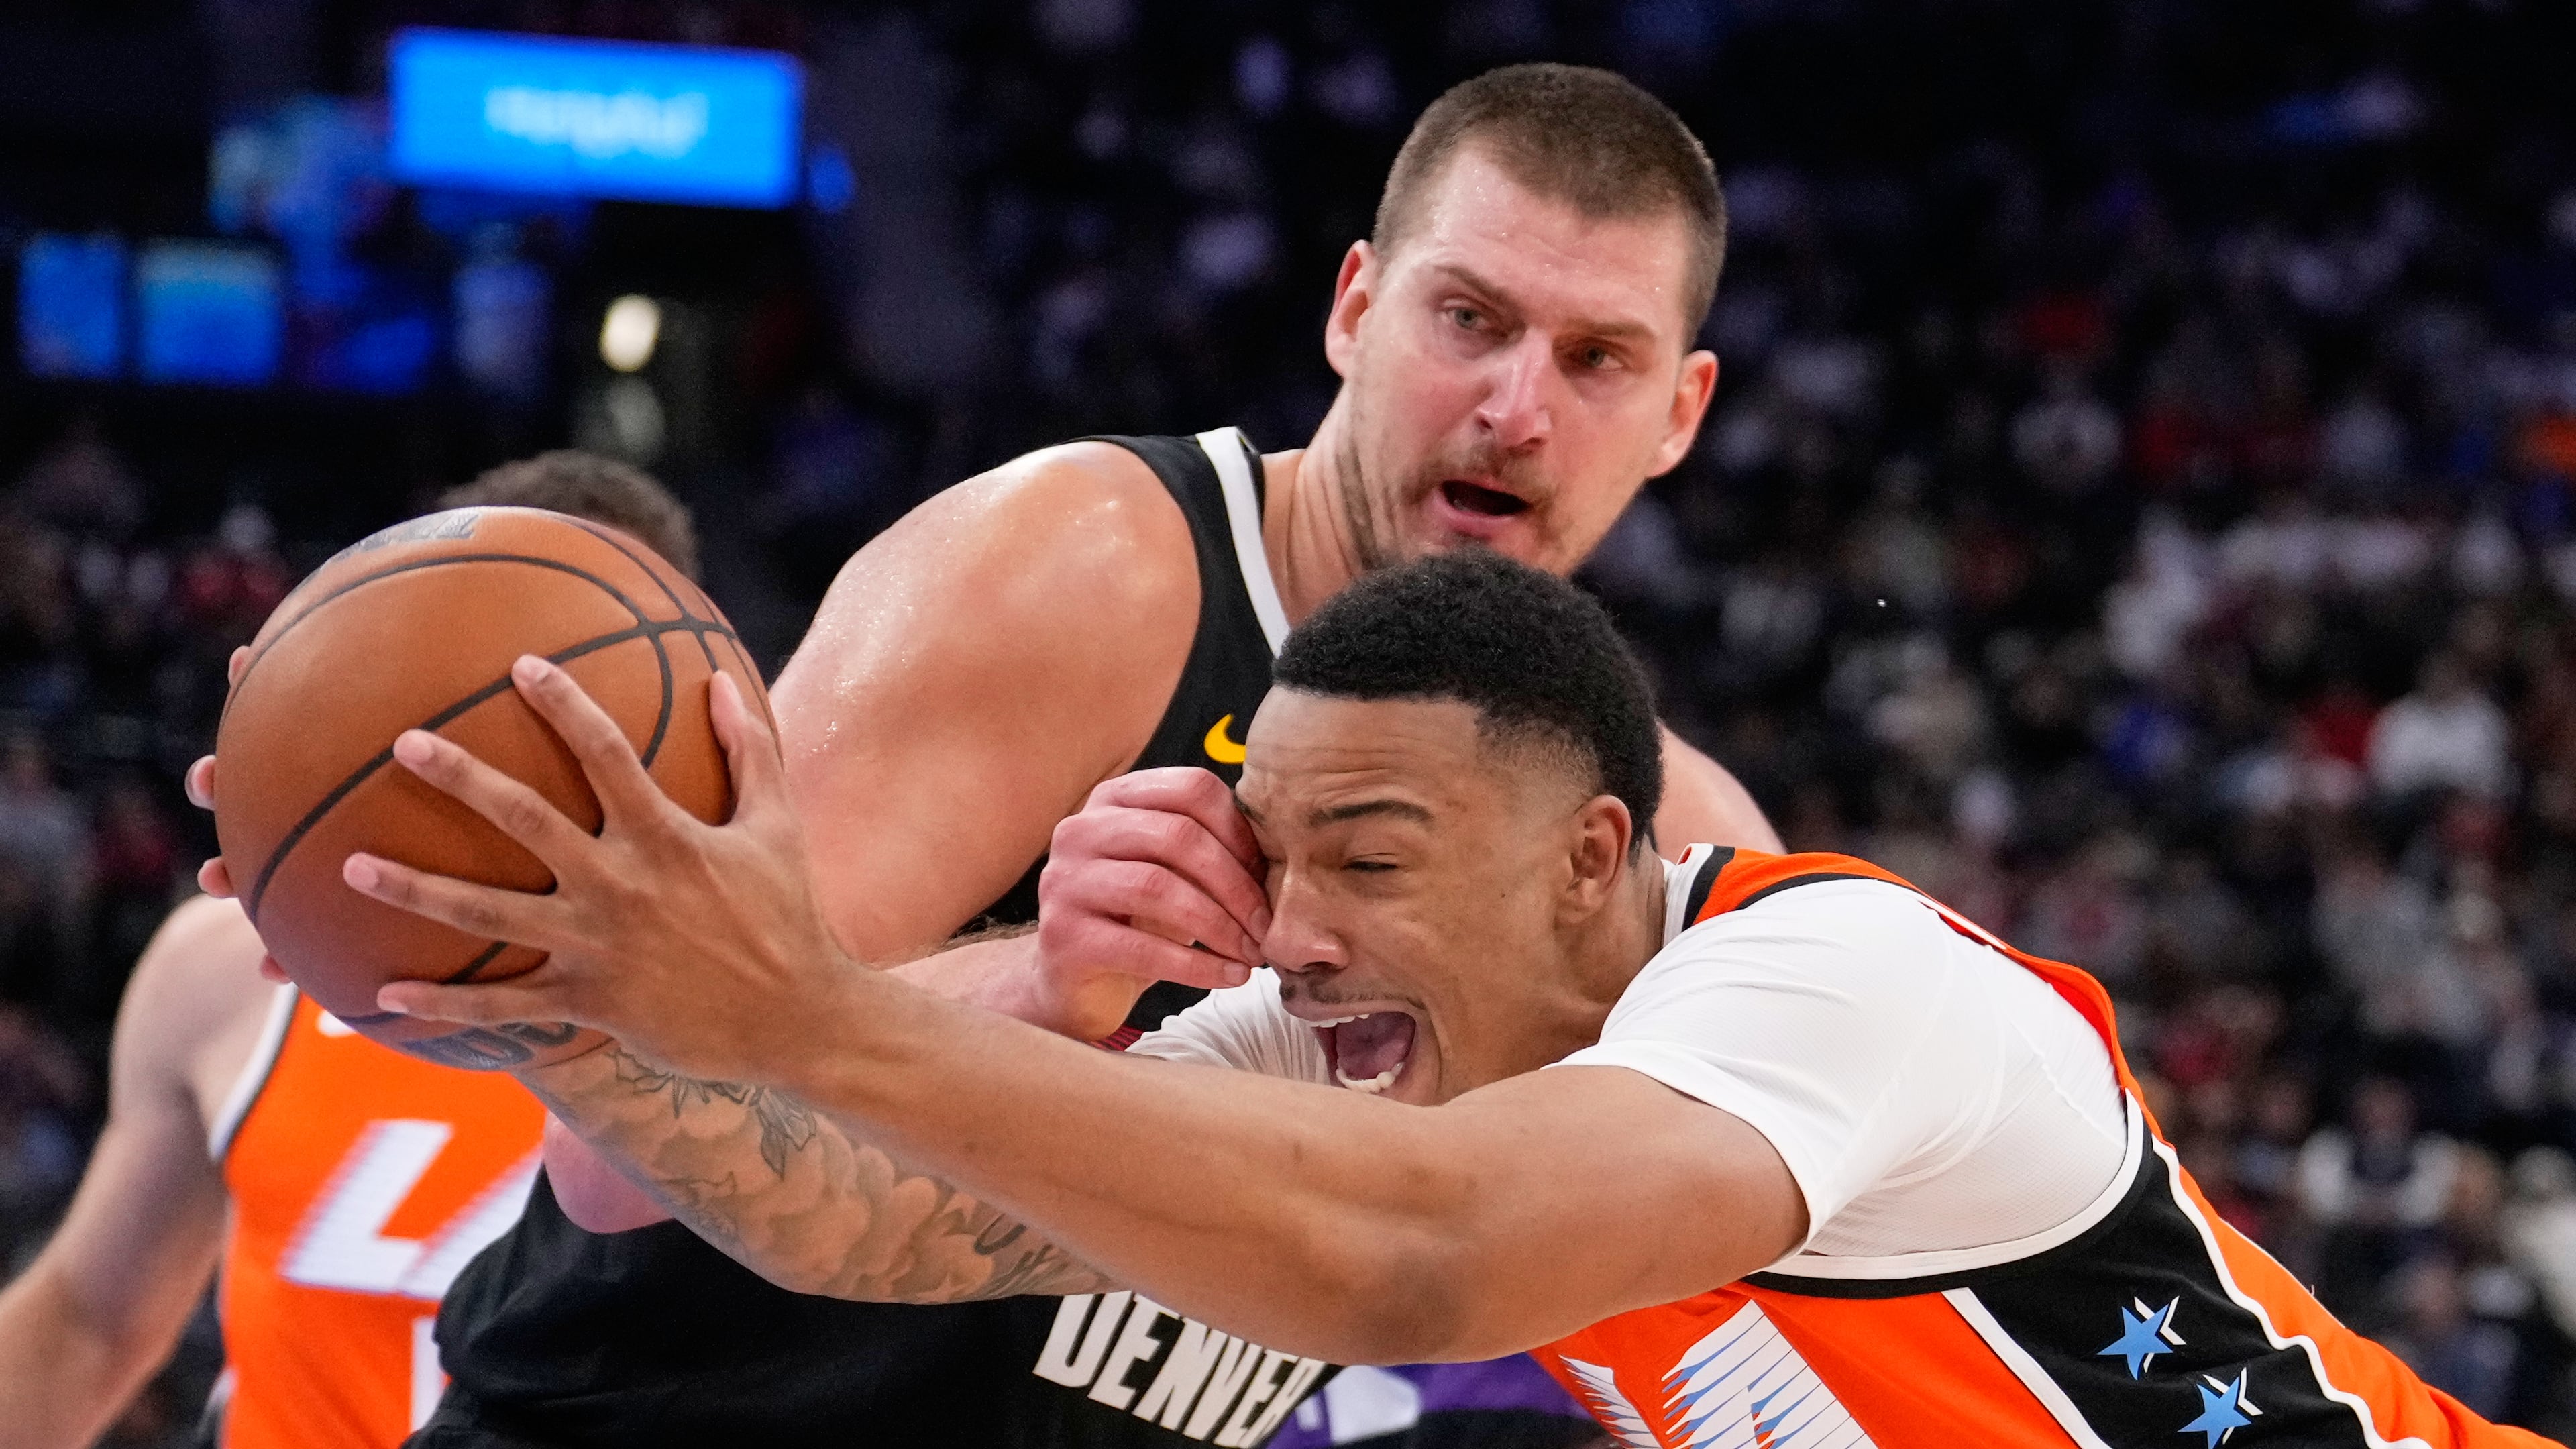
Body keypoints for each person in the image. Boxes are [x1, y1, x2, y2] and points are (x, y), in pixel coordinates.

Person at [197, 62, 1776, 1448]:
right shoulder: (1090, 574)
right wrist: (1045, 990)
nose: (1515, 409)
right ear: (1355, 307)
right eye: (1471, 320)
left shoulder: (1678, 838)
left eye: (1596, 360)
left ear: (1683, 411)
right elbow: (628, 1154)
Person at [352, 550, 2545, 1448]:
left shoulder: (1836, 972)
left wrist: (811, 1006)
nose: (1293, 929)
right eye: (1276, 852)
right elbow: (878, 1227)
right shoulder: (1368, 1042)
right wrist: (584, 1015)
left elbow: (1430, 1258)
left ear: (1590, 856)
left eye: (1370, 861)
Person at [0, 453, 696, 1449]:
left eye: (588, 669)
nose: (537, 713)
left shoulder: (771, 1003)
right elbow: (89, 1325)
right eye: (502, 664)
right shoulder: (227, 966)